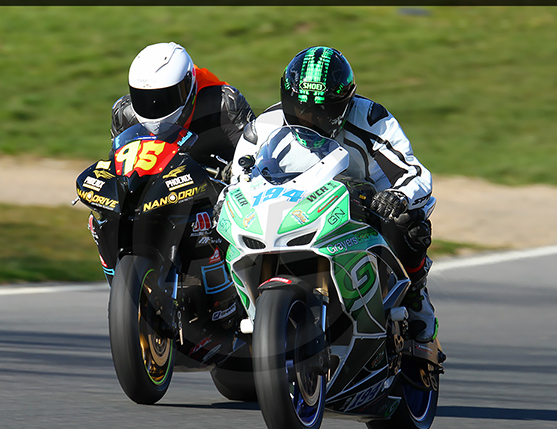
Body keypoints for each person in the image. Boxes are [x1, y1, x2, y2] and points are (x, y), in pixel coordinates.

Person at [229, 46, 437, 343]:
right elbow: (239, 178)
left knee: (409, 222)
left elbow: (414, 173)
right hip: (296, 207)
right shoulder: (264, 126)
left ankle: (415, 296)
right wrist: (228, 199)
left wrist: (397, 195)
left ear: (344, 104)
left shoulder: (372, 119)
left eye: (321, 111)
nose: (308, 118)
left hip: (367, 203)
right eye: (299, 108)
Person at [109, 41, 256, 169]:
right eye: (143, 99)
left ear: (188, 85)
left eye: (165, 98)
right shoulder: (124, 113)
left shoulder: (224, 104)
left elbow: (255, 157)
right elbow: (117, 167)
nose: (154, 108)